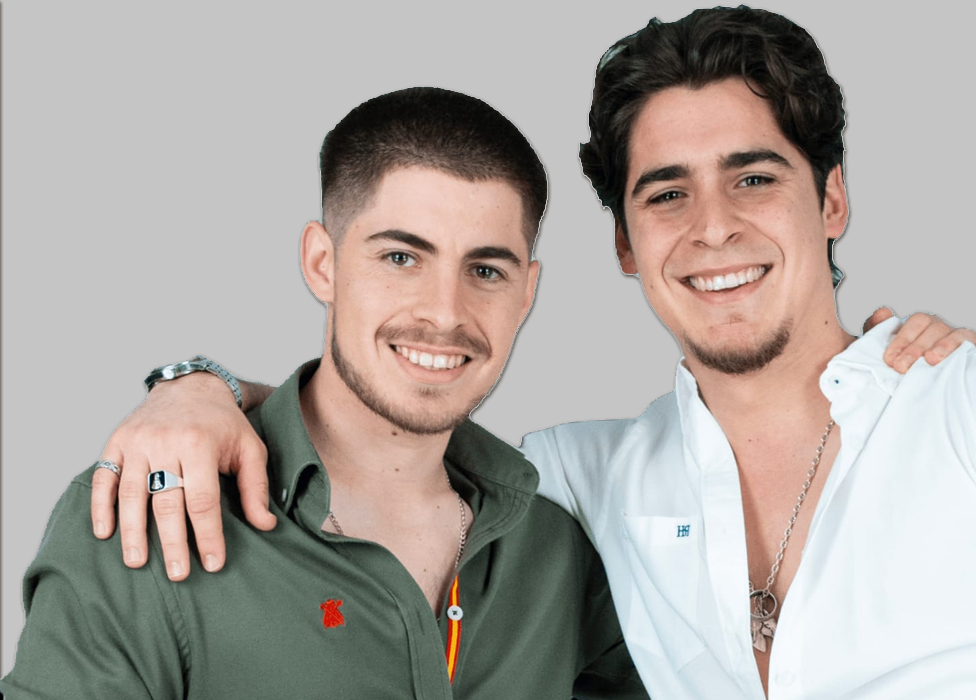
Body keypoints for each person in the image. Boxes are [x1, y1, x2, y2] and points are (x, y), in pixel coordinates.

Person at [72, 6, 976, 700]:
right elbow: (390, 408)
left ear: (833, 199)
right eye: (666, 193)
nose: (713, 229)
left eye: (754, 177)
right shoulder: (579, 482)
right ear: (623, 244)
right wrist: (196, 388)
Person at [0, 87, 648, 699]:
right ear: (322, 263)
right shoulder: (147, 510)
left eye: (484, 270)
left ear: (526, 292)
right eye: (401, 258)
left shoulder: (556, 551)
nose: (444, 312)